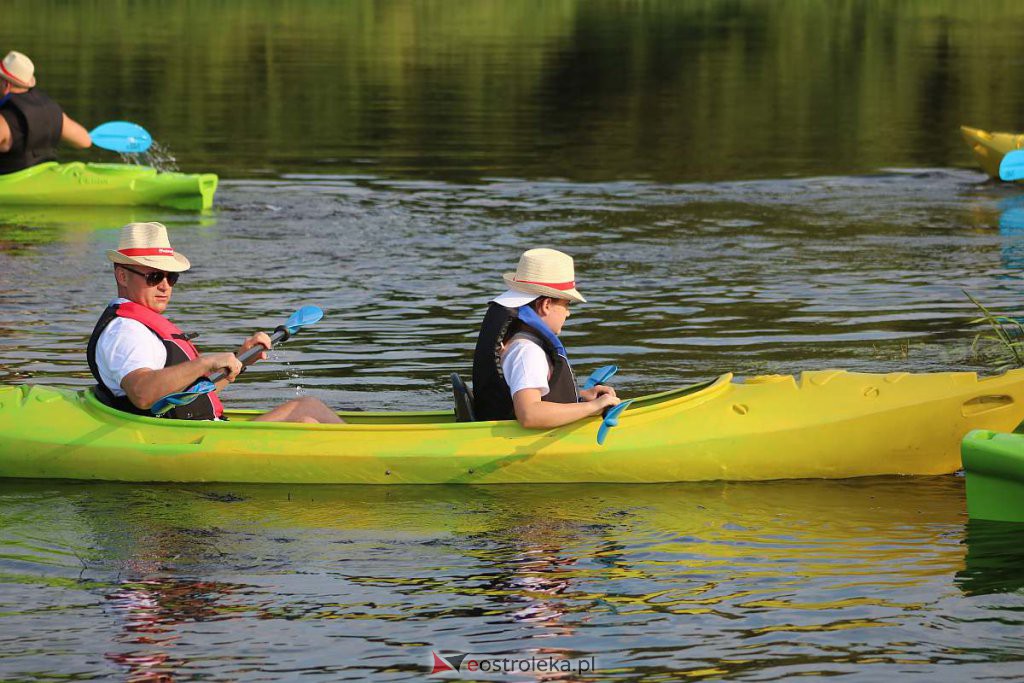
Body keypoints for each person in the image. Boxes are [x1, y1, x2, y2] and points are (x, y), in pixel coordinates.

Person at [86, 222, 343, 424]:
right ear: (122, 275)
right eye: (154, 276)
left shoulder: (141, 325)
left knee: (307, 406)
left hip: (197, 431)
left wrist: (240, 360)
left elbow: (184, 397)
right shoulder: (126, 331)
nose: (165, 286)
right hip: (178, 442)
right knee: (306, 421)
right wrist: (206, 362)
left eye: (171, 277)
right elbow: (142, 394)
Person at [472, 248, 619, 428]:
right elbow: (530, 414)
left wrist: (580, 397)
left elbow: (528, 392)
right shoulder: (527, 351)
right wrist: (592, 407)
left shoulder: (519, 342)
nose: (568, 313)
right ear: (546, 305)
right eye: (566, 304)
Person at [0, 50, 92, 174]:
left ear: (6, 85)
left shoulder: (4, 120)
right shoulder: (53, 111)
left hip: (11, 183)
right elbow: (85, 141)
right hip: (46, 176)